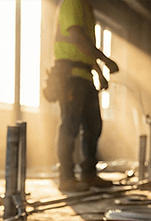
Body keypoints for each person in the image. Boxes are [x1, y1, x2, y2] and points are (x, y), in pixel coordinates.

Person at [54, 0, 119, 192]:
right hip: (70, 75)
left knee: (93, 126)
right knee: (70, 126)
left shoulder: (86, 8)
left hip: (84, 75)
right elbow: (78, 39)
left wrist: (98, 73)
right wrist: (105, 61)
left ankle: (89, 174)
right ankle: (66, 177)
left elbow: (86, 49)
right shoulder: (73, 3)